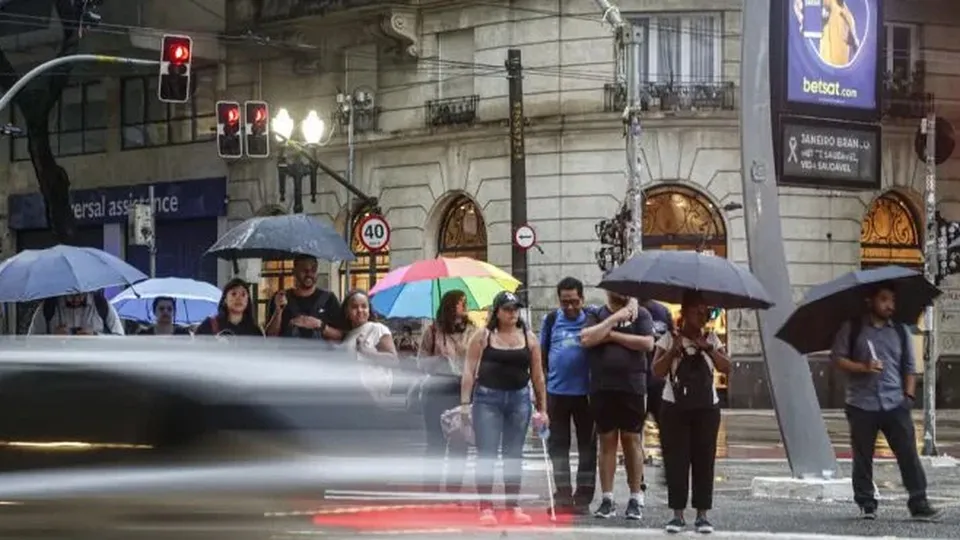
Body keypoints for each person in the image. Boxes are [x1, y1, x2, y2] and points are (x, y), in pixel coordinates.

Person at [830, 282, 941, 522]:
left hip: (894, 403)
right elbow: (838, 359)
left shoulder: (900, 331)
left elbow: (910, 368)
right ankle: (866, 502)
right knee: (863, 457)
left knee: (908, 453)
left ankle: (919, 501)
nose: (890, 305)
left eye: (892, 300)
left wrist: (908, 398)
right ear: (871, 301)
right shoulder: (854, 328)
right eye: (884, 299)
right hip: (861, 404)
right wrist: (863, 367)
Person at [461, 291, 547, 526]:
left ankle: (512, 506)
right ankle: (486, 506)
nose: (512, 313)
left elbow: (538, 375)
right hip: (487, 400)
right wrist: (465, 404)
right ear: (496, 312)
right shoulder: (483, 336)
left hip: (519, 400)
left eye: (515, 308)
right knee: (486, 453)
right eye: (507, 308)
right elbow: (468, 371)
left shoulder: (529, 338)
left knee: (514, 455)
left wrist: (543, 409)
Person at [652, 291, 729, 534]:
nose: (702, 316)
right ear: (685, 312)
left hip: (707, 407)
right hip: (674, 406)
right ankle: (677, 514)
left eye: (705, 312)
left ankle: (702, 515)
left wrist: (708, 348)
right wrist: (673, 350)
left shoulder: (711, 338)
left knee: (704, 459)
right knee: (677, 460)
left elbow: (727, 366)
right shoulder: (668, 338)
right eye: (697, 311)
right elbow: (656, 371)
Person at [580, 291, 652, 521]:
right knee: (607, 440)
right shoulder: (596, 314)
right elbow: (587, 338)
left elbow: (647, 343)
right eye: (615, 286)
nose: (619, 291)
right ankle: (608, 498)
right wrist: (614, 319)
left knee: (632, 440)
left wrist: (611, 336)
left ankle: (634, 497)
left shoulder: (641, 314)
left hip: (632, 386)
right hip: (602, 386)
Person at [540, 277, 596, 514]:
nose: (570, 307)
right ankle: (563, 495)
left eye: (574, 302)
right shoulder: (551, 320)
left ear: (582, 299)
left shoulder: (593, 318)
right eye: (565, 303)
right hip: (557, 394)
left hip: (587, 396)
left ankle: (583, 498)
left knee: (588, 448)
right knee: (558, 447)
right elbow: (541, 357)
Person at [418, 290, 475, 495]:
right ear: (450, 305)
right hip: (436, 391)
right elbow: (421, 362)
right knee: (435, 442)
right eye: (461, 302)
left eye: (465, 302)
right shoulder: (433, 331)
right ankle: (431, 488)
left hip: (462, 391)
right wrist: (436, 362)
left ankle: (454, 490)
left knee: (460, 442)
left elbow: (478, 359)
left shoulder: (473, 330)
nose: (464, 305)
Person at [265, 255, 343, 342]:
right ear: (294, 272)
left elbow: (340, 336)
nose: (309, 274)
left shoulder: (329, 299)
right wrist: (278, 311)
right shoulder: (280, 297)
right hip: (288, 354)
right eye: (304, 270)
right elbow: (270, 337)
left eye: (313, 270)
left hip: (320, 354)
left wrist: (319, 325)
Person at [342, 290, 399, 402]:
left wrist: (368, 352)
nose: (360, 310)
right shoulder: (348, 336)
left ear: (369, 310)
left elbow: (394, 360)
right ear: (347, 312)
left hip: (374, 397)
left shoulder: (377, 329)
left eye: (364, 306)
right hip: (352, 395)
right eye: (354, 307)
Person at [642, 298, 675, 464]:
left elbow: (672, 337)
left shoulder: (663, 311)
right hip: (637, 377)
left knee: (665, 425)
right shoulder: (630, 311)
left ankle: (670, 465)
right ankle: (636, 471)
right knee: (633, 429)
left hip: (658, 379)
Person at [28, 292, 124, 335]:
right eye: (70, 294)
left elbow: (120, 338)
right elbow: (31, 341)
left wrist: (95, 336)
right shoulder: (48, 306)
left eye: (79, 294)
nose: (75, 299)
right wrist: (52, 339)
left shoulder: (102, 305)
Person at [195, 278, 264, 337]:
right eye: (234, 294)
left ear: (248, 300)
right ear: (225, 299)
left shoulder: (254, 331)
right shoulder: (209, 325)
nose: (239, 298)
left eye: (243, 294)